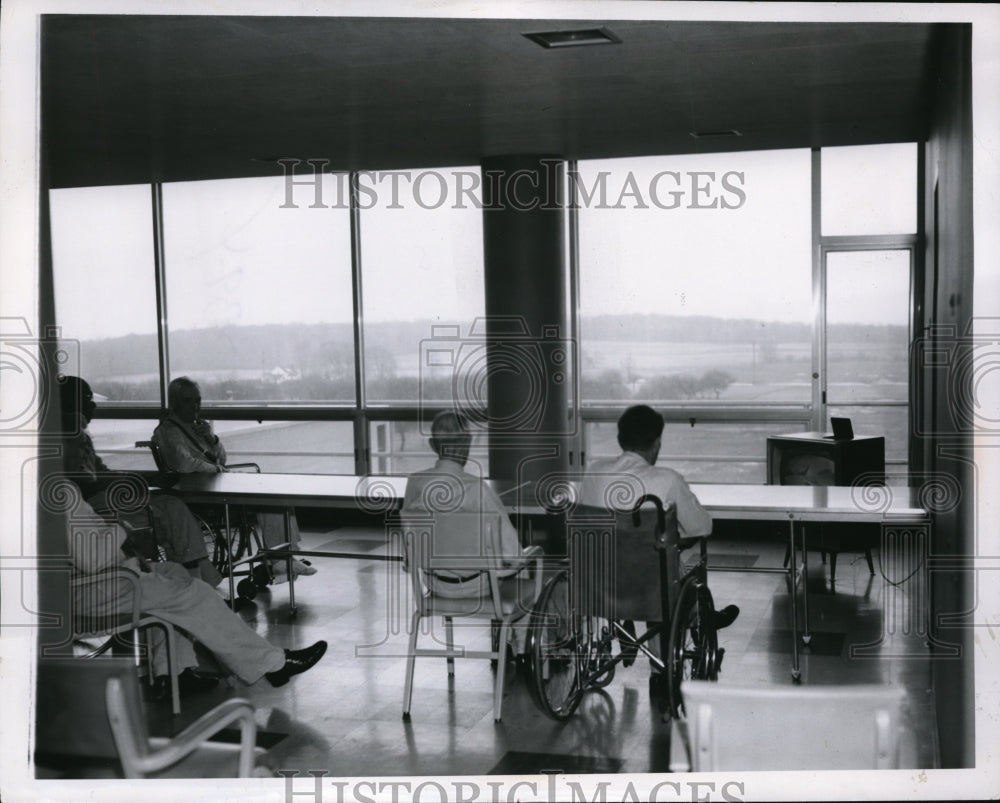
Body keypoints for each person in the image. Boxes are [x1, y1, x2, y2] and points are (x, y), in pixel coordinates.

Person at [67, 495, 327, 697]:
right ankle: (274, 664)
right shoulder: (62, 493)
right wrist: (120, 528)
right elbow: (93, 559)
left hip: (91, 581)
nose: (84, 451)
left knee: (175, 572)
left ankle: (175, 673)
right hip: (88, 588)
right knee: (195, 594)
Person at [579, 404, 739, 697]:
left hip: (598, 584)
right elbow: (702, 526)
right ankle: (699, 620)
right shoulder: (667, 479)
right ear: (656, 444)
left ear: (620, 439)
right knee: (669, 559)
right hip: (650, 590)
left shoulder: (593, 473)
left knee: (651, 559)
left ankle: (637, 624)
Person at [57, 375, 223, 588]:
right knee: (172, 510)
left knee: (172, 510)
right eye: (87, 398)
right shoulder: (67, 438)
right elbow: (84, 482)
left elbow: (99, 473)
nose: (93, 405)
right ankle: (198, 576)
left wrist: (211, 439)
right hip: (96, 508)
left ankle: (195, 574)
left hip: (107, 500)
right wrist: (134, 480)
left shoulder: (78, 435)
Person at [151, 376, 316, 582]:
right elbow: (184, 464)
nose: (195, 406)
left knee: (274, 493)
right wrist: (216, 469)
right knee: (268, 498)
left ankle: (283, 555)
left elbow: (221, 458)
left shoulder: (197, 427)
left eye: (198, 400)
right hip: (199, 495)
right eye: (188, 400)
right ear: (174, 403)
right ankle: (280, 559)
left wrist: (212, 439)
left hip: (215, 484)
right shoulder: (168, 432)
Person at [400, 411, 539, 652]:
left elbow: (409, 554)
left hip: (434, 587)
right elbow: (513, 555)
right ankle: (522, 648)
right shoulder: (477, 490)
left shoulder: (415, 483)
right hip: (479, 588)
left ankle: (512, 644)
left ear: (433, 445)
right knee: (527, 566)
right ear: (467, 443)